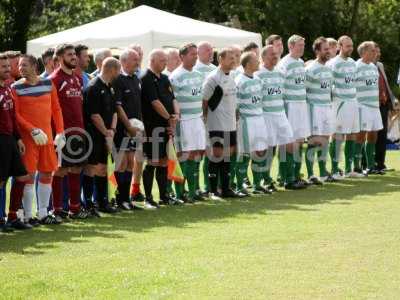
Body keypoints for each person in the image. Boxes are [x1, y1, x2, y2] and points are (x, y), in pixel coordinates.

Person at [12, 54, 66, 225]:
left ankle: (43, 212)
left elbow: (56, 109)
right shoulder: (16, 87)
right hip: (29, 140)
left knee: (47, 173)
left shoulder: (48, 84)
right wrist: (32, 130)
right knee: (28, 175)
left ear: (35, 66)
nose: (21, 69)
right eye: (19, 66)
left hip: (48, 138)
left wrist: (61, 132)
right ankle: (28, 215)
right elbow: (16, 115)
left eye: (24, 65)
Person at [50, 44, 89, 220]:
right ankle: (56, 210)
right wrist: (57, 132)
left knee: (77, 168)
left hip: (78, 131)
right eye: (69, 54)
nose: (74, 57)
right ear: (59, 58)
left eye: (74, 54)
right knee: (60, 170)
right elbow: (50, 109)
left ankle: (74, 208)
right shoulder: (54, 79)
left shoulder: (77, 78)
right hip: (62, 133)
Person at [141, 49, 181, 206]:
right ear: (153, 61)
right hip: (153, 127)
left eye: (166, 60)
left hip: (167, 125)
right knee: (153, 161)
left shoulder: (165, 78)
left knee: (164, 160)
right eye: (162, 60)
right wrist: (169, 118)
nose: (165, 63)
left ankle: (164, 196)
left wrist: (176, 115)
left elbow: (173, 99)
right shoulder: (146, 78)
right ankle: (148, 198)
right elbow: (155, 102)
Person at [202, 48, 244, 199]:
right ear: (220, 59)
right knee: (217, 155)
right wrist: (205, 120)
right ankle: (213, 191)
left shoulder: (233, 75)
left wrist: (236, 112)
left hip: (230, 123)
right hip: (216, 123)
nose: (234, 60)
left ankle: (225, 189)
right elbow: (204, 101)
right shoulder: (213, 78)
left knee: (228, 156)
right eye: (230, 58)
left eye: (235, 58)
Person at [83, 57, 120, 214]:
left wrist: (111, 129)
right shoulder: (93, 87)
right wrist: (106, 133)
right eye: (118, 70)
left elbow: (114, 111)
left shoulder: (110, 87)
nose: (119, 73)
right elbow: (94, 115)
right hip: (93, 135)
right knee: (92, 168)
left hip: (106, 134)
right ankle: (89, 203)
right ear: (111, 69)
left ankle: (102, 202)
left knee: (104, 168)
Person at [170, 43, 206, 203]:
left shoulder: (199, 75)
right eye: (192, 54)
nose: (195, 57)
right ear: (182, 57)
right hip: (184, 121)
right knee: (184, 156)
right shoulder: (175, 76)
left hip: (197, 119)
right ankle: (180, 193)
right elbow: (173, 101)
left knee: (198, 153)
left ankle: (193, 191)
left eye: (196, 54)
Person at [255, 45, 294, 192]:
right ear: (263, 57)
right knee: (268, 148)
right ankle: (266, 179)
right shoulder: (258, 74)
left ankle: (287, 178)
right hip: (266, 115)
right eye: (272, 54)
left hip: (281, 114)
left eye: (276, 54)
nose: (275, 56)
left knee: (289, 143)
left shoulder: (280, 72)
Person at [0, 53, 32, 231]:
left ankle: (13, 216)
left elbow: (12, 117)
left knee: (22, 177)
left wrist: (18, 138)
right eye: (3, 67)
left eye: (7, 66)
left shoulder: (7, 88)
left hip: (11, 140)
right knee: (1, 181)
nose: (7, 69)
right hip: (0, 141)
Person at [112, 49, 144, 210]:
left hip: (135, 129)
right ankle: (120, 199)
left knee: (131, 162)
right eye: (134, 60)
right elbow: (118, 107)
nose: (137, 63)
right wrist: (128, 126)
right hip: (122, 130)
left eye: (138, 60)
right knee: (122, 163)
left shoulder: (136, 79)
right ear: (123, 62)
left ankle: (127, 199)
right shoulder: (118, 80)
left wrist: (140, 127)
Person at [326, 36, 362, 178]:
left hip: (353, 102)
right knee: (338, 135)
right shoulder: (333, 63)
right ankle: (335, 169)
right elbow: (329, 84)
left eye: (352, 46)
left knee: (352, 134)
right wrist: (337, 96)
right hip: (340, 103)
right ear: (340, 46)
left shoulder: (353, 63)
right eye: (348, 46)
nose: (350, 48)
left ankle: (349, 169)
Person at [277, 35, 310, 189]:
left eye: (303, 45)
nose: (302, 48)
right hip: (290, 106)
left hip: (301, 105)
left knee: (300, 141)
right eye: (299, 45)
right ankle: (286, 177)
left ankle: (296, 175)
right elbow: (280, 88)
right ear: (290, 46)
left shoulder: (301, 63)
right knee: (288, 143)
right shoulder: (284, 63)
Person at [235, 51, 269, 195]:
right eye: (256, 60)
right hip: (247, 121)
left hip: (259, 119)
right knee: (245, 154)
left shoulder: (258, 79)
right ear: (248, 64)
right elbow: (235, 106)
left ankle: (257, 184)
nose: (259, 62)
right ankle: (239, 185)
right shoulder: (239, 81)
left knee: (261, 152)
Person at [305, 37, 335, 184]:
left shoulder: (329, 68)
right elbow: (304, 89)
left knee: (325, 141)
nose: (328, 51)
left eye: (329, 48)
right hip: (314, 108)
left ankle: (323, 172)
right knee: (314, 141)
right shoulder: (311, 69)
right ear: (317, 51)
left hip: (326, 107)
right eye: (325, 49)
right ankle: (311, 174)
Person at [354, 41, 383, 174]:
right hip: (362, 106)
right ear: (364, 52)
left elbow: (375, 86)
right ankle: (357, 166)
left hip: (374, 107)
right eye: (372, 50)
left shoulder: (373, 67)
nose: (375, 53)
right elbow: (350, 86)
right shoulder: (356, 66)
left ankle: (371, 166)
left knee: (373, 135)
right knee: (360, 135)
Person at [194, 41, 217, 194]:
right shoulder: (195, 70)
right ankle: (195, 186)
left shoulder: (215, 69)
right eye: (207, 50)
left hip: (216, 116)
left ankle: (210, 185)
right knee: (198, 152)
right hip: (201, 116)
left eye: (212, 50)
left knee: (212, 152)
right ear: (199, 53)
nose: (211, 53)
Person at [374, 43, 397, 171]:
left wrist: (392, 99)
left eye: (379, 51)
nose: (379, 53)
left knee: (382, 135)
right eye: (376, 51)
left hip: (383, 104)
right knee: (371, 135)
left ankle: (380, 164)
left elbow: (386, 84)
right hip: (371, 105)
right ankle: (368, 164)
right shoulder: (361, 66)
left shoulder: (380, 65)